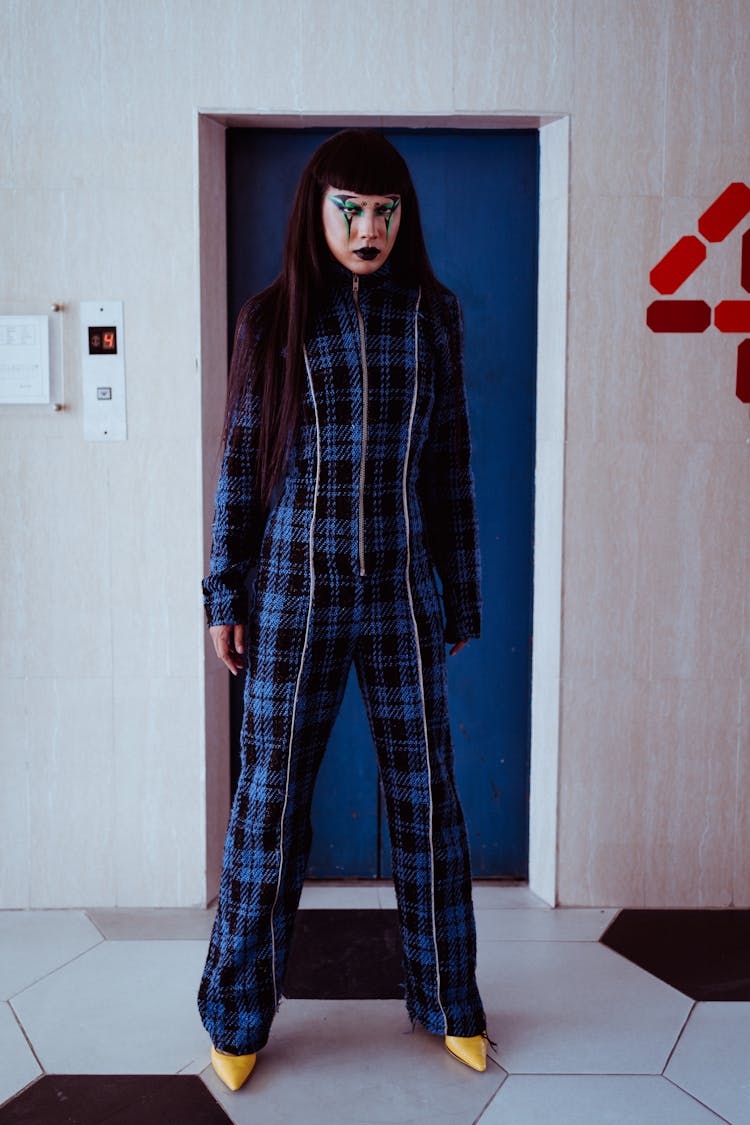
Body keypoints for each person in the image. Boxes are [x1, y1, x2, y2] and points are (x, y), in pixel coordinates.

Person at [197, 128, 489, 1091]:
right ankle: (237, 1016)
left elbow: (450, 466)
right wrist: (223, 591)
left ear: (404, 219)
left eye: (385, 211)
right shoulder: (271, 316)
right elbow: (242, 465)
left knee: (428, 803)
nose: (368, 229)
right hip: (291, 591)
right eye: (350, 209)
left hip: (402, 591)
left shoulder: (431, 315)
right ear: (317, 210)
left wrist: (458, 591)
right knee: (268, 804)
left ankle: (449, 999)